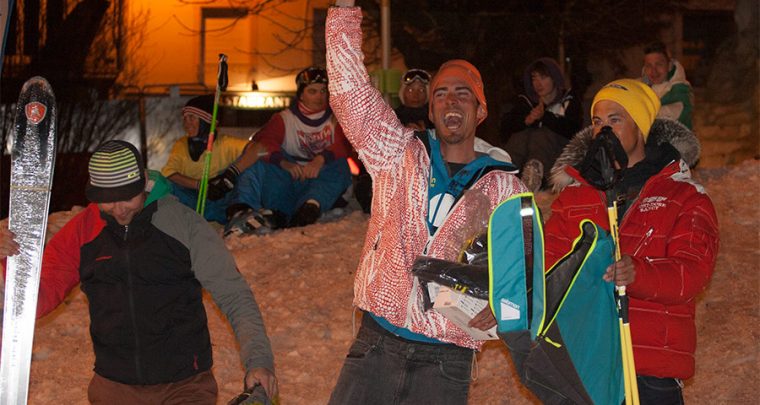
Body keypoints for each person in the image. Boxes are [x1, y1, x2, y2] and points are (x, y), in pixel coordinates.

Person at [326, 2, 526, 404]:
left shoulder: (506, 189)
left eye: (463, 94)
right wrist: (343, 11)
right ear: (431, 110)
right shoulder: (397, 152)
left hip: (446, 359)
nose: (451, 102)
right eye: (441, 94)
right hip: (376, 345)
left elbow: (524, 268)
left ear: (481, 109)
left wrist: (506, 305)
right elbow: (349, 91)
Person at [0, 141, 278, 404]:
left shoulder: (183, 224)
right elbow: (35, 300)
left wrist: (259, 361)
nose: (119, 209)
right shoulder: (82, 232)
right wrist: (5, 261)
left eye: (127, 197)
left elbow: (234, 295)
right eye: (108, 201)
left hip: (184, 385)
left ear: (143, 183)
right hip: (113, 389)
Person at [544, 79, 719, 404]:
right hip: (586, 362)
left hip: (649, 368)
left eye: (615, 119)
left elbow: (692, 272)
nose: (603, 130)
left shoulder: (682, 194)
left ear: (641, 126)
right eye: (597, 121)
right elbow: (548, 264)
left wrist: (639, 274)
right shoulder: (575, 196)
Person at [224, 67, 352, 236]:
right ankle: (252, 211)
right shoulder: (284, 119)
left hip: (319, 182)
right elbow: (264, 142)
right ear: (301, 94)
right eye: (312, 91)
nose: (320, 97)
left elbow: (345, 145)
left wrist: (321, 159)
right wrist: (283, 163)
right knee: (259, 158)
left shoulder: (336, 119)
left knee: (340, 164)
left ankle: (310, 207)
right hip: (289, 181)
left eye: (323, 91)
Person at [162, 94, 265, 223]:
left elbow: (259, 149)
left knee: (252, 166)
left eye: (192, 118)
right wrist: (200, 185)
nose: (186, 123)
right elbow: (169, 174)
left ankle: (241, 213)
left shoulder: (225, 143)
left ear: (207, 121)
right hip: (193, 201)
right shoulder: (181, 144)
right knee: (161, 184)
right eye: (185, 118)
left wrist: (232, 173)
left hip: (220, 201)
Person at [500, 57, 583, 192]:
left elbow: (573, 130)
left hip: (559, 159)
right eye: (534, 78)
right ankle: (505, 175)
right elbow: (504, 129)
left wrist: (545, 117)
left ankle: (535, 172)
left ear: (554, 78)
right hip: (524, 160)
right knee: (521, 136)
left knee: (541, 134)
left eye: (543, 77)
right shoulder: (526, 103)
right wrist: (526, 121)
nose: (538, 83)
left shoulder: (569, 101)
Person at [641, 41, 694, 129]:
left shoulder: (679, 94)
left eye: (659, 65)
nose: (653, 71)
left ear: (669, 66)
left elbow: (651, 119)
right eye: (649, 66)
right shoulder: (642, 88)